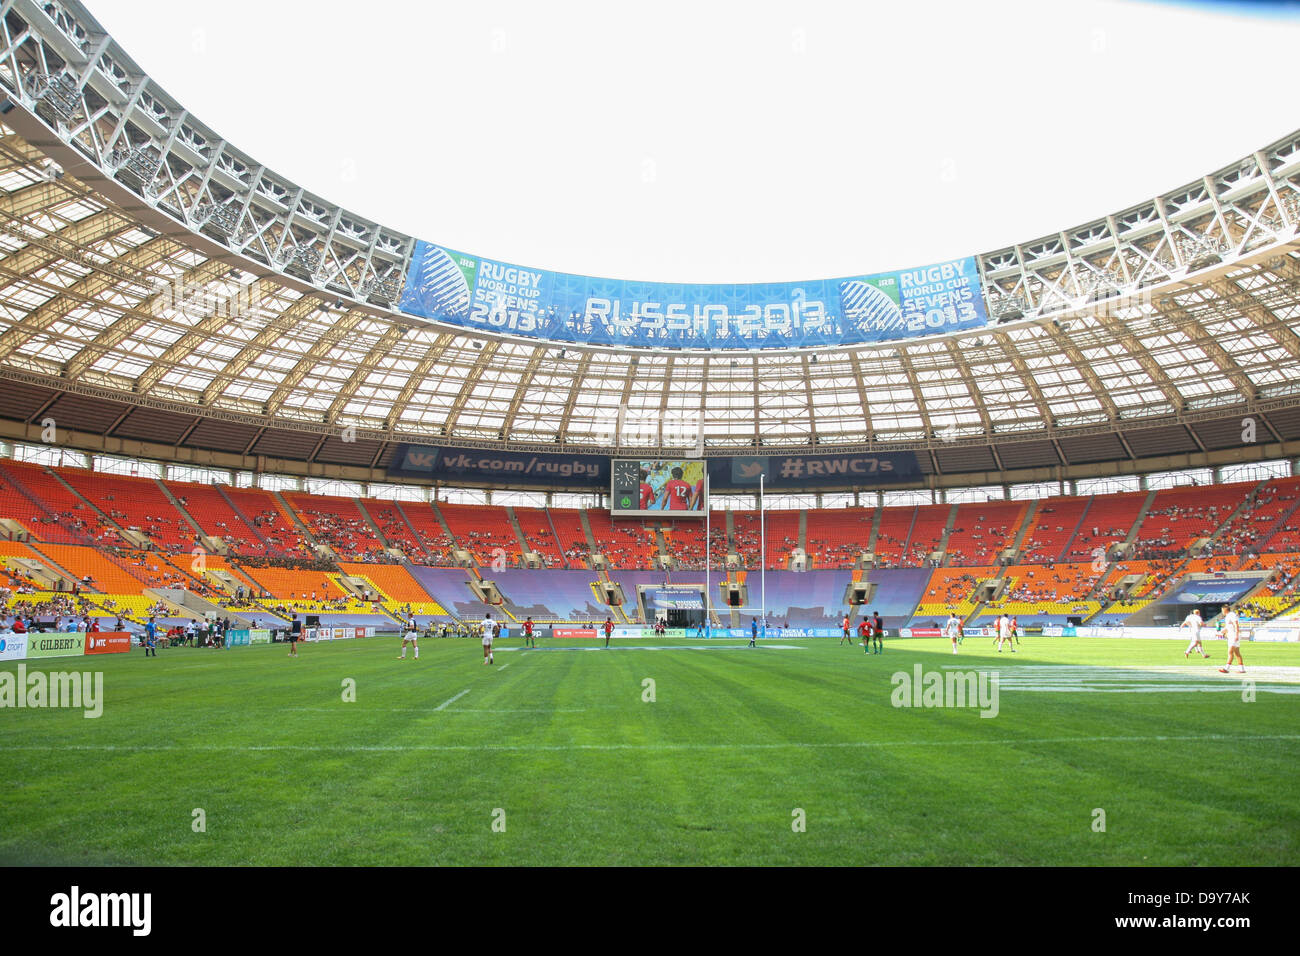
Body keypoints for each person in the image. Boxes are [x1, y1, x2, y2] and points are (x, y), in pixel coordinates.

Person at [1218, 604, 1245, 674]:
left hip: (1234, 635)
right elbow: (1228, 627)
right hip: (1232, 635)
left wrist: (1236, 634)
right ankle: (1241, 669)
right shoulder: (1228, 616)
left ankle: (1226, 668)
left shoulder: (1231, 615)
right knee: (1237, 653)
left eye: (1222, 610)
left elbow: (1236, 624)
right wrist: (1222, 632)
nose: (1222, 612)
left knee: (1230, 652)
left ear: (1224, 610)